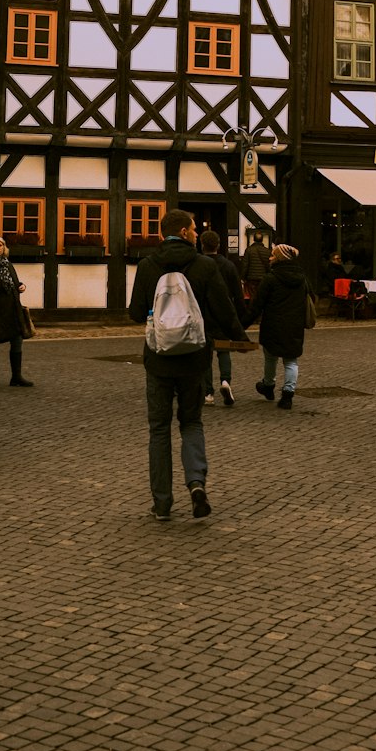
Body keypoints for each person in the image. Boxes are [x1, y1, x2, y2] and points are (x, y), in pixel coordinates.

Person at [128, 207, 248, 521]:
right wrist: (241, 338)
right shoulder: (205, 265)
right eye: (194, 229)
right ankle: (196, 484)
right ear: (184, 232)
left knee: (158, 429)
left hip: (158, 359)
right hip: (195, 359)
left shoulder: (148, 266)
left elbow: (135, 312)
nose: (197, 233)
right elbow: (224, 309)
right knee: (191, 423)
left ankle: (163, 502)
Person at [243, 243, 311, 412]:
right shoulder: (302, 278)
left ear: (280, 258)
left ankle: (268, 384)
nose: (270, 258)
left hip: (273, 324)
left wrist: (242, 325)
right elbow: (310, 297)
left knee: (271, 356)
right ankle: (288, 395)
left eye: (273, 255)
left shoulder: (271, 278)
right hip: (294, 325)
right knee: (291, 361)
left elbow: (257, 305)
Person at [0, 235, 32, 389]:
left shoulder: (7, 264)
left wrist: (21, 286)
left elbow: (14, 282)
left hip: (11, 308)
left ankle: (16, 376)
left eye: (0, 245)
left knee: (17, 341)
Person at [200, 229, 243, 406]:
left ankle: (208, 393)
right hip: (224, 314)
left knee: (205, 355)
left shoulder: (198, 265)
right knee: (224, 351)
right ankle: (225, 382)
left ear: (202, 245)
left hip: (204, 314)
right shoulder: (229, 265)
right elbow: (238, 293)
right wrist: (240, 317)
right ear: (218, 245)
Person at [240, 228, 271, 301]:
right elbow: (269, 266)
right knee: (262, 297)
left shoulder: (249, 250)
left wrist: (242, 278)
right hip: (263, 278)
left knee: (253, 298)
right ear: (262, 240)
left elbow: (245, 265)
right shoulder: (267, 251)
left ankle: (253, 311)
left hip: (252, 278)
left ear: (253, 239)